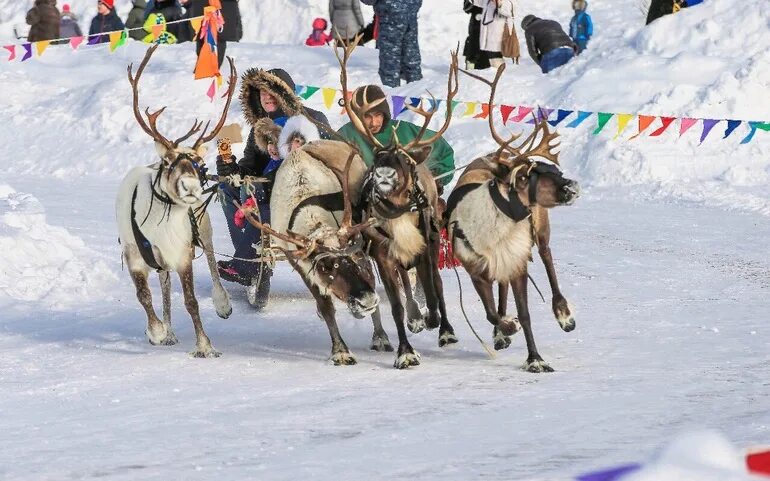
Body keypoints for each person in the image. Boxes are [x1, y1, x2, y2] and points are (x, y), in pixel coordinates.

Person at [214, 68, 329, 308]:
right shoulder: (260, 126)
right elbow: (248, 168)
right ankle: (250, 257)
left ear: (284, 93)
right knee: (228, 190)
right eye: (262, 93)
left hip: (303, 192)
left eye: (272, 92)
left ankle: (246, 263)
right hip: (262, 190)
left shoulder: (310, 118)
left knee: (254, 193)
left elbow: (327, 156)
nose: (266, 97)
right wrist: (227, 165)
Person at [336, 84, 456, 186]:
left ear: (385, 114)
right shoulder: (346, 135)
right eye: (367, 116)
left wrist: (436, 178)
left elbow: (443, 151)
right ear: (357, 117)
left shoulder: (404, 130)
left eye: (378, 115)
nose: (374, 122)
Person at [360, 0, 423, 88]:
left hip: (390, 17)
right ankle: (417, 97)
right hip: (410, 13)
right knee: (411, 60)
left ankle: (392, 98)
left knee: (390, 63)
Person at [189, 0, 242, 68]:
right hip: (209, 10)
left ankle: (210, 70)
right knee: (204, 38)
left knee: (217, 39)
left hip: (220, 11)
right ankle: (207, 69)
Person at [479, 0, 516, 68]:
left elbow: (508, 14)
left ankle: (501, 74)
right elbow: (477, 2)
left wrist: (499, 4)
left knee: (497, 61)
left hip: (498, 39)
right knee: (490, 62)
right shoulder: (487, 1)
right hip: (487, 39)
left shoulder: (508, 3)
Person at [463, 0, 490, 70]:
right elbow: (466, 8)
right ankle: (470, 71)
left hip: (490, 32)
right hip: (475, 31)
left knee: (488, 67)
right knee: (471, 59)